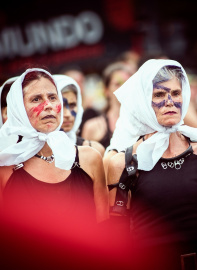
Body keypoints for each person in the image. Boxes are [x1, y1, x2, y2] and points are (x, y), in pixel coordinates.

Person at [106, 59, 197, 270]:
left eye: (175, 93)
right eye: (158, 95)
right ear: (142, 102)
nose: (169, 101)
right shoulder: (123, 162)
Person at [0, 68, 109, 269]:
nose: (48, 105)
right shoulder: (6, 171)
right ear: (17, 109)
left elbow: (104, 229)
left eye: (52, 97)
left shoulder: (89, 158)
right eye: (36, 99)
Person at [80, 61, 134, 150]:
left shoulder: (143, 122)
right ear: (106, 90)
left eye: (127, 82)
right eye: (117, 84)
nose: (124, 87)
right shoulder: (92, 127)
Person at [53, 74, 105, 155]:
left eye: (72, 105)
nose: (68, 114)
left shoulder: (93, 151)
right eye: (61, 107)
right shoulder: (32, 152)